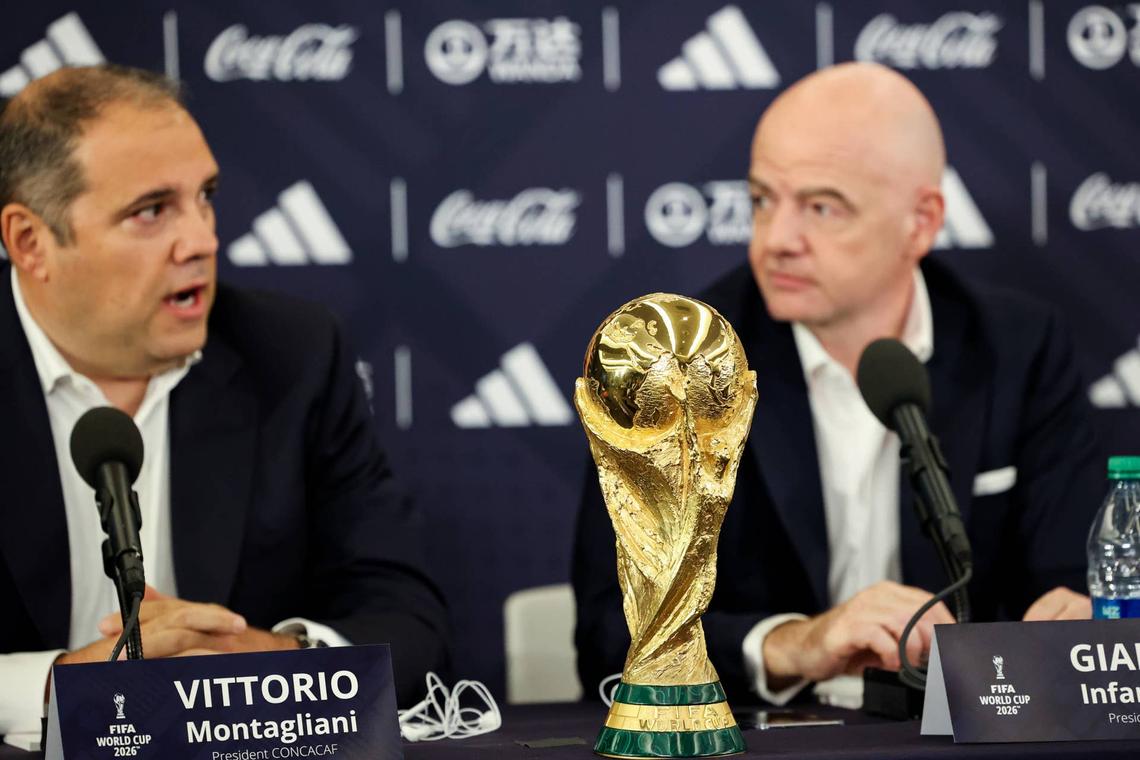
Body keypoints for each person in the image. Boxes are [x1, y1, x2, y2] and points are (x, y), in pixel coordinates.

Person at [573, 62, 1101, 706]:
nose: (776, 240)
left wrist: (1076, 618)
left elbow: (1077, 583)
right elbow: (607, 629)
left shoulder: (1020, 348)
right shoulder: (679, 361)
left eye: (822, 207)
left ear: (922, 221)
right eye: (762, 200)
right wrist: (794, 644)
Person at [0, 64, 447, 736]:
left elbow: (410, 618)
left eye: (204, 197)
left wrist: (275, 661)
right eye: (151, 211)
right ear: (31, 242)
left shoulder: (291, 354)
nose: (204, 240)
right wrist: (61, 684)